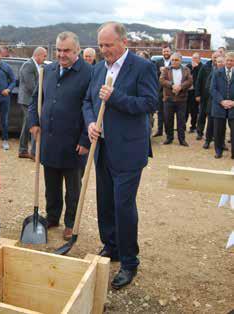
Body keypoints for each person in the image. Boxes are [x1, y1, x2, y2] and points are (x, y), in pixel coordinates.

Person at [83, 22, 158, 289]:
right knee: (104, 202)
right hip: (102, 148)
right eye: (101, 45)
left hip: (128, 150)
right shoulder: (97, 69)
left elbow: (149, 103)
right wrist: (91, 122)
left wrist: (115, 97)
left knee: (123, 206)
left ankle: (129, 261)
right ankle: (111, 246)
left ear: (123, 42)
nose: (104, 50)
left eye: (109, 45)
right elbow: (88, 102)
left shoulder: (142, 67)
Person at [28, 31, 92, 241]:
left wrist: (85, 140)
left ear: (77, 51)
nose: (62, 54)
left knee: (73, 188)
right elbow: (35, 100)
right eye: (59, 50)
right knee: (51, 184)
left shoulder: (88, 73)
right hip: (49, 140)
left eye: (67, 51)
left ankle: (71, 222)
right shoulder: (48, 70)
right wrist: (34, 123)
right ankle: (53, 216)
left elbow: (90, 108)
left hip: (74, 143)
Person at [18, 46, 47, 160]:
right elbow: (31, 86)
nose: (44, 58)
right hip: (27, 100)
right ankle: (34, 152)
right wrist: (43, 93)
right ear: (38, 55)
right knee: (34, 123)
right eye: (44, 56)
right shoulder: (28, 65)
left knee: (27, 126)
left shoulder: (35, 65)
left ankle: (23, 150)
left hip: (30, 100)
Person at [159, 53, 193, 146]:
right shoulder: (166, 69)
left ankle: (182, 139)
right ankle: (169, 138)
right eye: (172, 60)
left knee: (181, 121)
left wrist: (181, 87)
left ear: (180, 61)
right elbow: (161, 80)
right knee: (168, 120)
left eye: (176, 60)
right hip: (168, 99)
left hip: (181, 100)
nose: (174, 61)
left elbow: (190, 81)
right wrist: (172, 85)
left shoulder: (186, 70)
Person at [0, 47, 16, 150]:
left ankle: (5, 140)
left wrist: (8, 89)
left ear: (0, 55)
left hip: (4, 97)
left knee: (4, 120)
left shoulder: (6, 67)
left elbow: (14, 80)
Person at [210, 52, 234, 159]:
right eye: (228, 60)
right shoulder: (217, 72)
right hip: (219, 106)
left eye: (232, 60)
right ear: (225, 61)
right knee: (218, 131)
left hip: (233, 106)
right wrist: (222, 101)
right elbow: (212, 89)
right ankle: (218, 151)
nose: (229, 62)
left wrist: (233, 102)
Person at [195, 51, 220, 145]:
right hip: (204, 96)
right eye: (214, 57)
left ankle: (212, 135)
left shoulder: (221, 68)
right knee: (202, 115)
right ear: (212, 57)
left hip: (216, 99)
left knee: (212, 117)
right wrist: (197, 94)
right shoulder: (205, 67)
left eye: (217, 57)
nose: (216, 59)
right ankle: (199, 132)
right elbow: (198, 81)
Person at [153, 45, 172, 137]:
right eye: (164, 51)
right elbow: (154, 76)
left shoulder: (174, 61)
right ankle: (159, 130)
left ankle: (169, 132)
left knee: (168, 113)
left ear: (170, 52)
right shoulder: (158, 62)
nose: (166, 53)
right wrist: (159, 72)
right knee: (160, 112)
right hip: (160, 91)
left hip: (170, 91)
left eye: (167, 51)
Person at [185, 53, 202, 133]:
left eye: (196, 58)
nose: (194, 60)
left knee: (194, 110)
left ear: (199, 59)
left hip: (195, 92)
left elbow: (199, 79)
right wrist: (192, 68)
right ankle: (182, 125)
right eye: (193, 58)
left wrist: (196, 68)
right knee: (184, 109)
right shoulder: (188, 66)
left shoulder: (201, 67)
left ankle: (193, 126)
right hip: (186, 91)